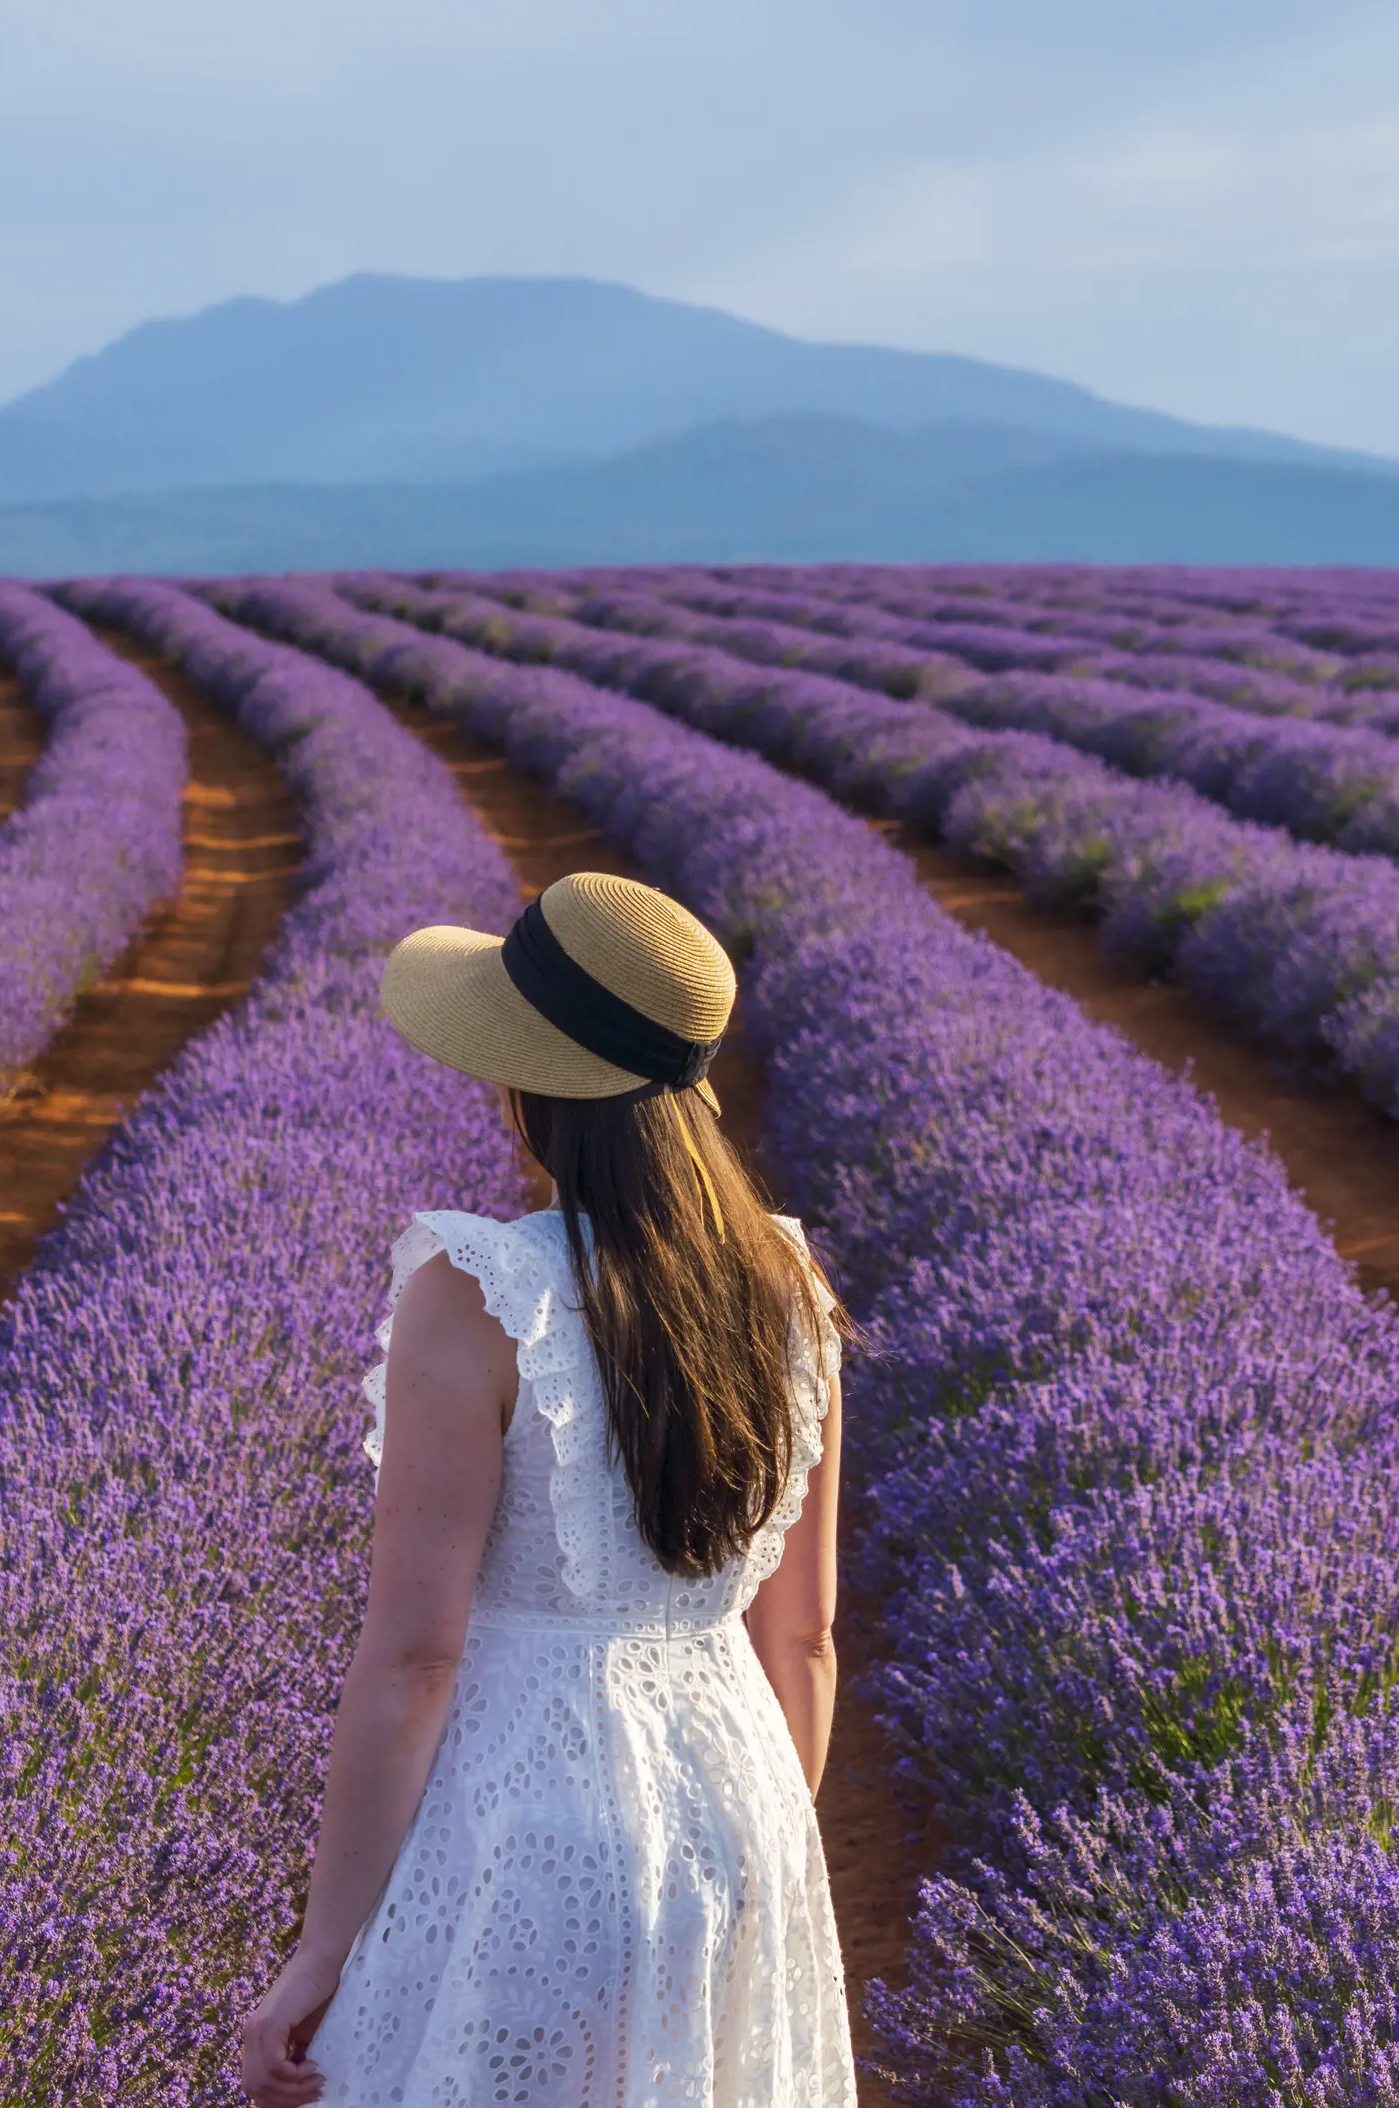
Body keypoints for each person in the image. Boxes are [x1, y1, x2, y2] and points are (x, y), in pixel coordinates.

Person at [235, 871, 857, 2107]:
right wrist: (757, 1856)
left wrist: (323, 1945)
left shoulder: (482, 1293)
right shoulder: (790, 1285)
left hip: (527, 1819)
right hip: (738, 1803)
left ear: (535, 1088)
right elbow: (809, 1636)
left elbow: (416, 1658)